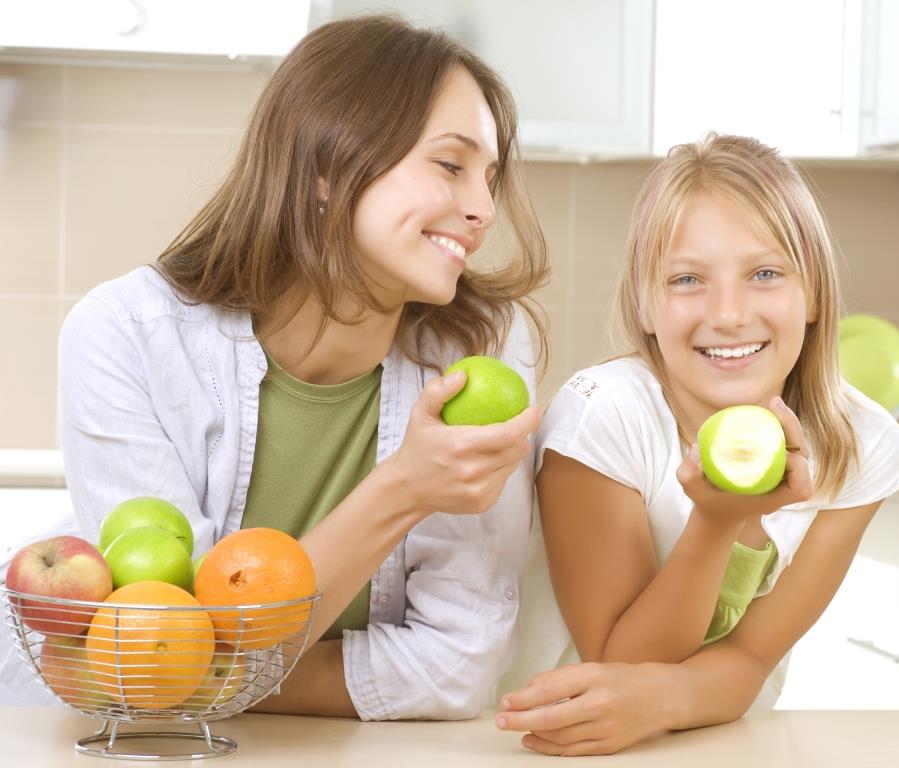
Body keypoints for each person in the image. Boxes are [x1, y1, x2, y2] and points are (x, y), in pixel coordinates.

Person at [1, 14, 550, 718]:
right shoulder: (125, 337)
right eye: (450, 165)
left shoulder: (483, 353)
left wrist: (215, 677)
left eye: (491, 178)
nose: (481, 209)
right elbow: (159, 654)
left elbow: (458, 667)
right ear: (326, 166)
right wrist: (405, 489)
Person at [496, 134, 899, 755]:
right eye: (688, 279)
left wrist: (673, 698)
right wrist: (721, 522)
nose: (730, 313)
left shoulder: (862, 444)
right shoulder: (601, 415)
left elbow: (749, 659)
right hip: (555, 746)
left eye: (764, 274)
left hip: (710, 744)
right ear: (645, 305)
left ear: (815, 292)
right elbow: (621, 661)